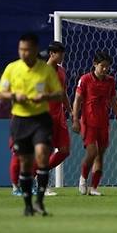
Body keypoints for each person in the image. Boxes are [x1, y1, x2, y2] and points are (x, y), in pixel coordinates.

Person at [0, 33, 63, 216]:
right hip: (20, 120)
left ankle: (40, 202)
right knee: (25, 162)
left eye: (27, 49)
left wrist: (46, 96)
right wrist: (13, 96)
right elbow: (1, 94)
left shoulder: (46, 70)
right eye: (21, 49)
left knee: (41, 156)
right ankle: (27, 205)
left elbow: (59, 94)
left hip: (41, 119)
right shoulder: (12, 69)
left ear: (35, 50)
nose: (24, 53)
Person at [72, 51, 117, 196]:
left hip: (103, 123)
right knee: (92, 152)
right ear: (95, 65)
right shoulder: (85, 79)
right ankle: (83, 179)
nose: (105, 69)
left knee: (100, 155)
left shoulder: (110, 81)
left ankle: (94, 188)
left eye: (107, 67)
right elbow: (77, 100)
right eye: (102, 66)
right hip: (88, 122)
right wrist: (75, 119)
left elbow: (113, 101)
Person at [44, 41, 73, 196]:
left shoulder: (61, 71)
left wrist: (71, 110)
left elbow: (63, 93)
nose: (62, 56)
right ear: (51, 54)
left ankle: (37, 172)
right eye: (59, 53)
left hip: (59, 117)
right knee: (46, 151)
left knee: (65, 150)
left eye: (63, 53)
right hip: (45, 117)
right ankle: (44, 184)